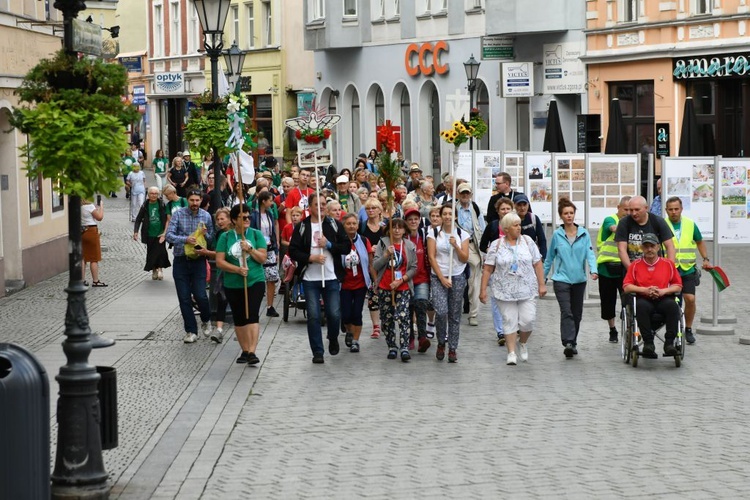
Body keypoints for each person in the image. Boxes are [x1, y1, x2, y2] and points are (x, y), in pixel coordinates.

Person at [288, 192, 350, 364]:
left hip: (330, 276)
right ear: (310, 207)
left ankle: (333, 336)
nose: (321, 207)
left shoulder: (333, 225)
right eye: (317, 204)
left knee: (334, 313)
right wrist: (310, 258)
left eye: (323, 204)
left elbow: (346, 246)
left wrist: (329, 245)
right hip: (310, 278)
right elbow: (293, 250)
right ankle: (317, 351)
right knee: (314, 315)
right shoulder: (302, 226)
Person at [479, 212, 547, 366]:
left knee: (528, 320)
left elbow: (537, 263)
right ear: (507, 229)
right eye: (515, 225)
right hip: (504, 290)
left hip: (527, 288)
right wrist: (483, 290)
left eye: (519, 225)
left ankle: (522, 342)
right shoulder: (497, 245)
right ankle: (511, 352)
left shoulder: (528, 241)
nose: (519, 228)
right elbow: (488, 268)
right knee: (509, 320)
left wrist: (542, 284)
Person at [543, 199, 598, 359]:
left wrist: (593, 270)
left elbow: (590, 253)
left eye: (571, 213)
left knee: (577, 313)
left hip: (579, 280)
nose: (569, 216)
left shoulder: (584, 233)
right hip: (561, 280)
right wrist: (543, 278)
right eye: (566, 213)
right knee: (566, 311)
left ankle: (572, 342)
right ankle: (567, 341)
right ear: (561, 216)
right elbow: (549, 258)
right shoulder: (557, 235)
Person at [216, 204, 267, 365]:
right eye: (242, 217)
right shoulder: (226, 237)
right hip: (233, 283)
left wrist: (250, 249)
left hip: (254, 280)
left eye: (248, 217)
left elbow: (262, 258)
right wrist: (237, 269)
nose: (246, 220)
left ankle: (252, 351)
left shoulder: (256, 234)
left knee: (252, 314)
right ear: (234, 220)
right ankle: (244, 349)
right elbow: (220, 261)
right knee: (239, 317)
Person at [166, 189, 215, 343]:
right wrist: (185, 239)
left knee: (200, 294)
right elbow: (169, 235)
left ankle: (206, 319)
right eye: (192, 200)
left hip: (199, 260)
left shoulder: (205, 216)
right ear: (187, 200)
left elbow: (211, 238)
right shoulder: (179, 214)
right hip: (181, 260)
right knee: (184, 297)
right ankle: (191, 331)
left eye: (197, 200)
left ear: (201, 201)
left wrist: (206, 234)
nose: (194, 203)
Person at [623, 233, 683, 358]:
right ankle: (648, 343)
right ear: (642, 248)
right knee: (640, 306)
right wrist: (645, 290)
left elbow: (678, 285)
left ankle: (669, 343)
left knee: (673, 306)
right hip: (644, 299)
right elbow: (627, 286)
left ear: (658, 247)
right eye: (646, 246)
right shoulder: (635, 265)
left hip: (664, 298)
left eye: (652, 246)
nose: (649, 249)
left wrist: (663, 291)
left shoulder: (668, 264)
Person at [664, 196, 713, 344]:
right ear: (666, 210)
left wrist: (705, 259)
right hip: (670, 270)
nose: (673, 212)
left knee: (690, 299)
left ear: (681, 209)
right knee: (673, 303)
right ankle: (672, 330)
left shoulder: (690, 225)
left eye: (676, 209)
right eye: (670, 209)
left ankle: (688, 328)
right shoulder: (662, 224)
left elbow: (699, 241)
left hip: (687, 269)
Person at [427, 204, 470, 363]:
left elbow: (465, 258)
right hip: (439, 276)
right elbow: (431, 257)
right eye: (444, 214)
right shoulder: (433, 233)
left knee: (454, 314)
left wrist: (456, 246)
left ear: (455, 217)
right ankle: (440, 342)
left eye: (450, 214)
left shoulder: (462, 234)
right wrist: (442, 278)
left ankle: (452, 347)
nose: (447, 217)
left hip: (457, 275)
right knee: (441, 311)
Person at [373, 218, 418, 361]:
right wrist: (386, 255)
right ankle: (392, 346)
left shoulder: (409, 245)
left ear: (405, 230)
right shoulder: (383, 243)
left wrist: (402, 279)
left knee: (403, 316)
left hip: (402, 286)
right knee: (387, 318)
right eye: (394, 228)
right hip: (385, 286)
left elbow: (414, 267)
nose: (397, 230)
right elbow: (375, 265)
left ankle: (404, 346)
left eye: (400, 228)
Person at [479, 197, 515, 346]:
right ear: (498, 211)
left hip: (513, 268)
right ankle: (500, 330)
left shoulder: (516, 226)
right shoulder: (493, 226)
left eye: (508, 209)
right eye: (502, 209)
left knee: (512, 298)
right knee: (496, 300)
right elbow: (482, 245)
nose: (505, 211)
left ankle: (512, 326)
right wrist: (493, 252)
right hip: (496, 269)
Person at [596, 196, 631, 343]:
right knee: (608, 301)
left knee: (629, 298)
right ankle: (612, 329)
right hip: (607, 267)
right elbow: (611, 227)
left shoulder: (634, 223)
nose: (628, 212)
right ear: (618, 207)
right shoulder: (610, 219)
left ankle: (629, 325)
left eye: (631, 210)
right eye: (625, 209)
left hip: (625, 267)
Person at [340, 213, 372, 354]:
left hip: (360, 283)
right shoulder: (339, 241)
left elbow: (370, 263)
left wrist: (374, 281)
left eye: (354, 223)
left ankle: (355, 341)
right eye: (348, 224)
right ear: (344, 226)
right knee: (346, 314)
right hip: (344, 284)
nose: (352, 226)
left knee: (357, 313)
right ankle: (348, 330)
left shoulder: (364, 241)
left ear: (358, 225)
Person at [455, 183, 486, 326]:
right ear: (458, 194)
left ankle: (473, 314)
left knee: (474, 281)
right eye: (462, 193)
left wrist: (484, 249)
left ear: (471, 194)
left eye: (467, 193)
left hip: (472, 246)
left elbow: (482, 229)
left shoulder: (475, 208)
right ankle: (453, 310)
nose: (465, 196)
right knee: (455, 279)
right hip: (456, 246)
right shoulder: (452, 208)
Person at [615, 195, 675, 267]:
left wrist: (670, 269)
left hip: (656, 269)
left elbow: (670, 246)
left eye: (637, 210)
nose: (634, 213)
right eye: (631, 210)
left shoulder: (658, 221)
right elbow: (621, 249)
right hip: (633, 268)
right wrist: (631, 270)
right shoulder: (624, 223)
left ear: (646, 208)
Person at [404, 207, 432, 353]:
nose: (413, 222)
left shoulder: (424, 235)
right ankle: (409, 337)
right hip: (406, 279)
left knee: (421, 305)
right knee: (408, 308)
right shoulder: (403, 237)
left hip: (422, 278)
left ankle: (422, 338)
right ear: (406, 222)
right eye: (410, 219)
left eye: (416, 219)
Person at [203, 207, 232, 344]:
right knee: (222, 300)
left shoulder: (234, 233)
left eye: (222, 219)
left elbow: (222, 253)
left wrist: (207, 253)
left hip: (234, 271)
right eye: (218, 219)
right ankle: (219, 330)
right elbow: (215, 249)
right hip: (222, 273)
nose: (220, 222)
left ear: (229, 219)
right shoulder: (219, 233)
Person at [250, 191, 280, 317]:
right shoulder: (253, 216)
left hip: (270, 247)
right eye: (270, 200)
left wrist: (276, 247)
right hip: (258, 248)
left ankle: (270, 306)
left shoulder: (270, 214)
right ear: (264, 201)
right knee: (258, 277)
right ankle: (254, 307)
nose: (272, 203)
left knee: (271, 277)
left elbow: (272, 231)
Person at [360, 198, 386, 339]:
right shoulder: (362, 226)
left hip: (385, 264)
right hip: (369, 265)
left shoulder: (385, 226)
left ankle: (386, 322)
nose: (371, 211)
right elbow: (357, 242)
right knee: (373, 294)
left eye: (373, 208)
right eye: (368, 209)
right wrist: (369, 248)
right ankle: (376, 325)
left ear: (379, 210)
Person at [133, 186, 171, 281]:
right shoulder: (145, 206)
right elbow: (138, 219)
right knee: (151, 253)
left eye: (155, 194)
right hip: (149, 233)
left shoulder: (162, 204)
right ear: (148, 195)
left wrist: (165, 231)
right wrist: (136, 231)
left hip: (160, 232)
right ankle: (154, 269)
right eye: (152, 193)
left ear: (158, 195)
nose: (154, 195)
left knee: (161, 252)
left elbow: (168, 218)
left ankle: (160, 269)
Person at [81, 197, 106, 287]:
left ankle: (81, 280)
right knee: (94, 258)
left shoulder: (77, 206)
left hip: (81, 231)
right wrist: (101, 207)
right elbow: (99, 217)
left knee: (83, 257)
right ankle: (95, 280)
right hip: (91, 231)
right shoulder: (89, 206)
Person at [515, 194, 547, 261]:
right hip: (516, 256)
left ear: (528, 205)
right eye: (519, 205)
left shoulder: (533, 218)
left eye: (524, 205)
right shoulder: (511, 219)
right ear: (514, 206)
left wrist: (542, 257)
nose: (522, 208)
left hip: (532, 255)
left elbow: (542, 239)